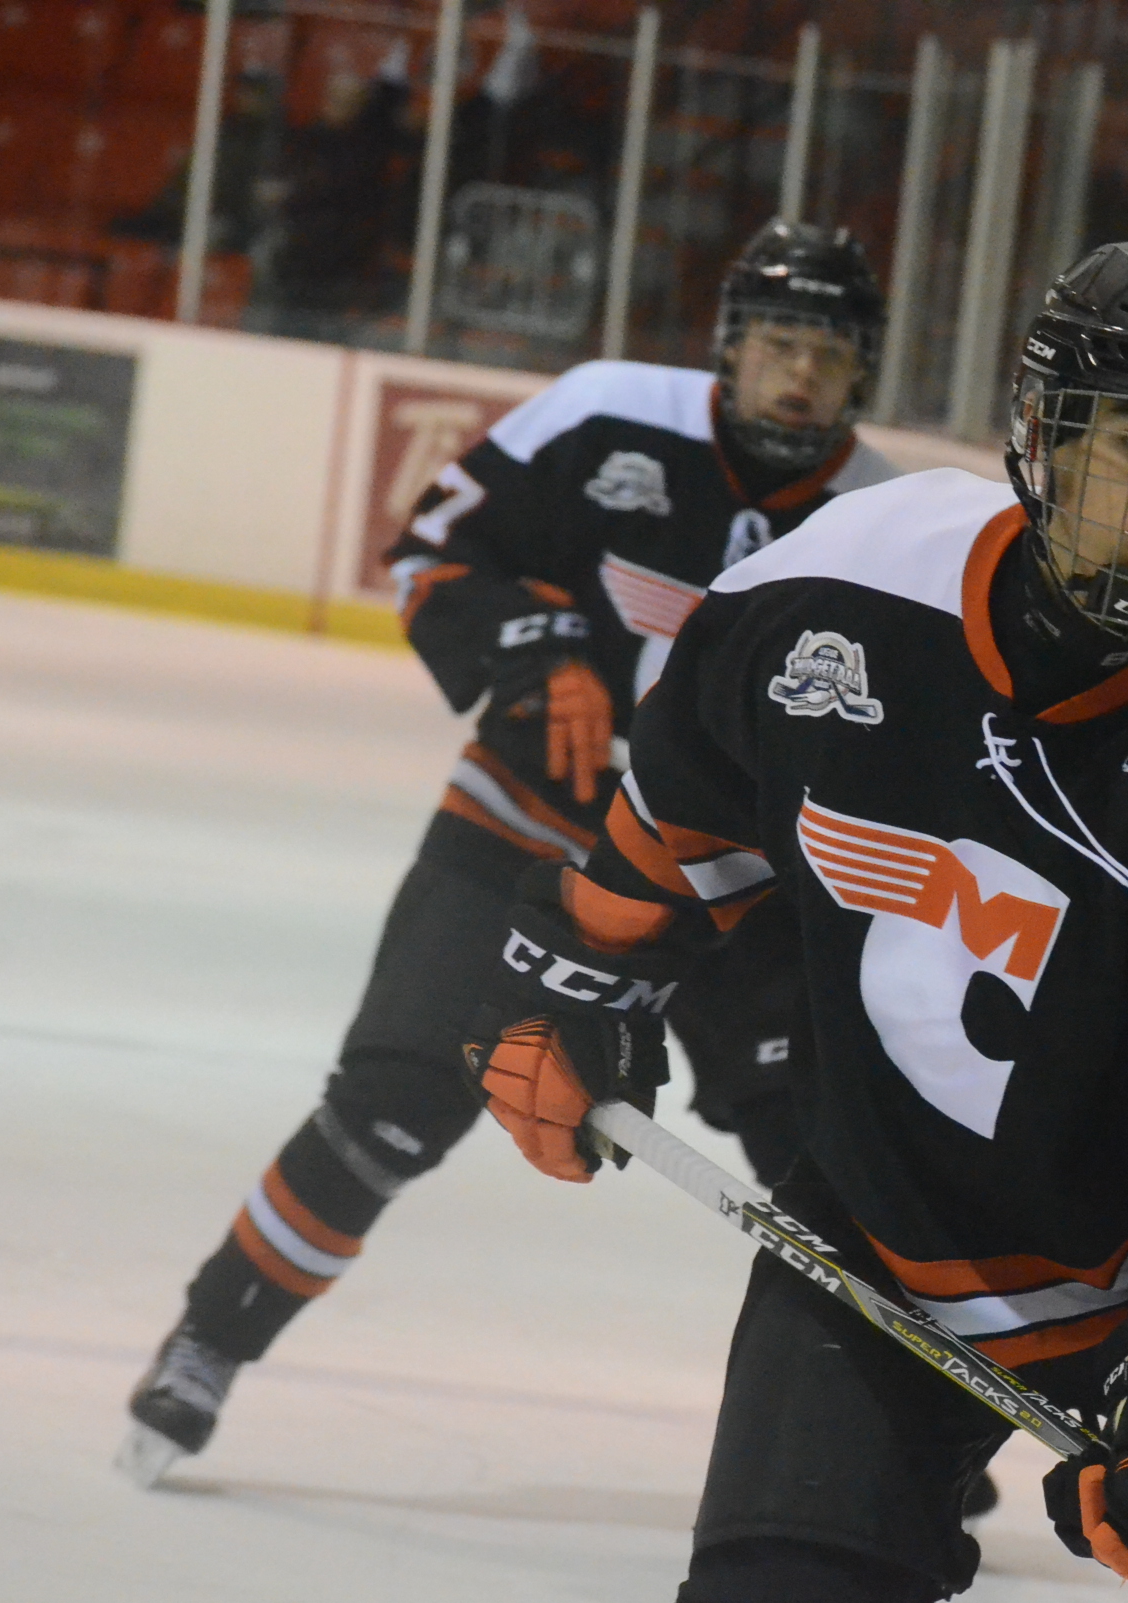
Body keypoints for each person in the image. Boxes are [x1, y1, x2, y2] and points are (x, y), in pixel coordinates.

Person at [458, 242, 1128, 1603]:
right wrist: (580, 986)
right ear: (1049, 438)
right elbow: (685, 817)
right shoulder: (844, 585)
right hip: (887, 1245)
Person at [117, 220, 898, 1486]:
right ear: (729, 345)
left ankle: (898, 1437)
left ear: (863, 368)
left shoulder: (887, 522)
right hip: (526, 833)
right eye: (776, 341)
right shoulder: (605, 415)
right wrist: (535, 647)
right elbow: (436, 548)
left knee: (822, 1167)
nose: (799, 373)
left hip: (729, 892)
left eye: (827, 350)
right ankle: (211, 1337)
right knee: (387, 1111)